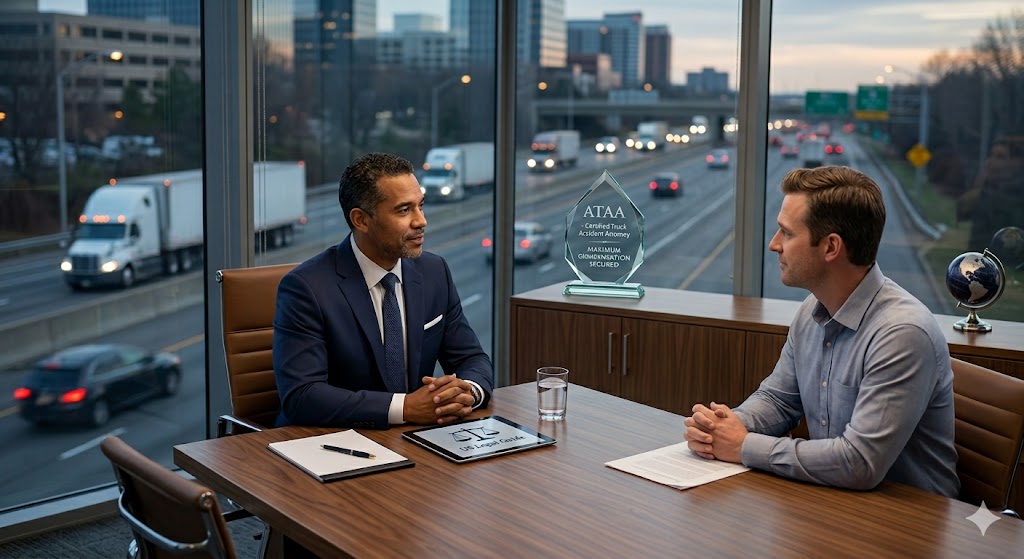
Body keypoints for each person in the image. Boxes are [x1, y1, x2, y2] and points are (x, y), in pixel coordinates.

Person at [684, 166, 960, 497]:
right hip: (836, 500)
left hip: (908, 521)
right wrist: (723, 427)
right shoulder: (811, 310)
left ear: (831, 247)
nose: (774, 245)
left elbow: (859, 463)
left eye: (786, 233)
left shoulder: (902, 333)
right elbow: (778, 400)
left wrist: (744, 446)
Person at [273, 152, 493, 429]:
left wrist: (468, 393)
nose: (421, 221)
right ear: (361, 220)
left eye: (420, 206)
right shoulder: (306, 288)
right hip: (331, 444)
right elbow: (302, 396)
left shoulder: (434, 272)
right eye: (404, 210)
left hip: (413, 440)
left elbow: (471, 358)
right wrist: (406, 408)